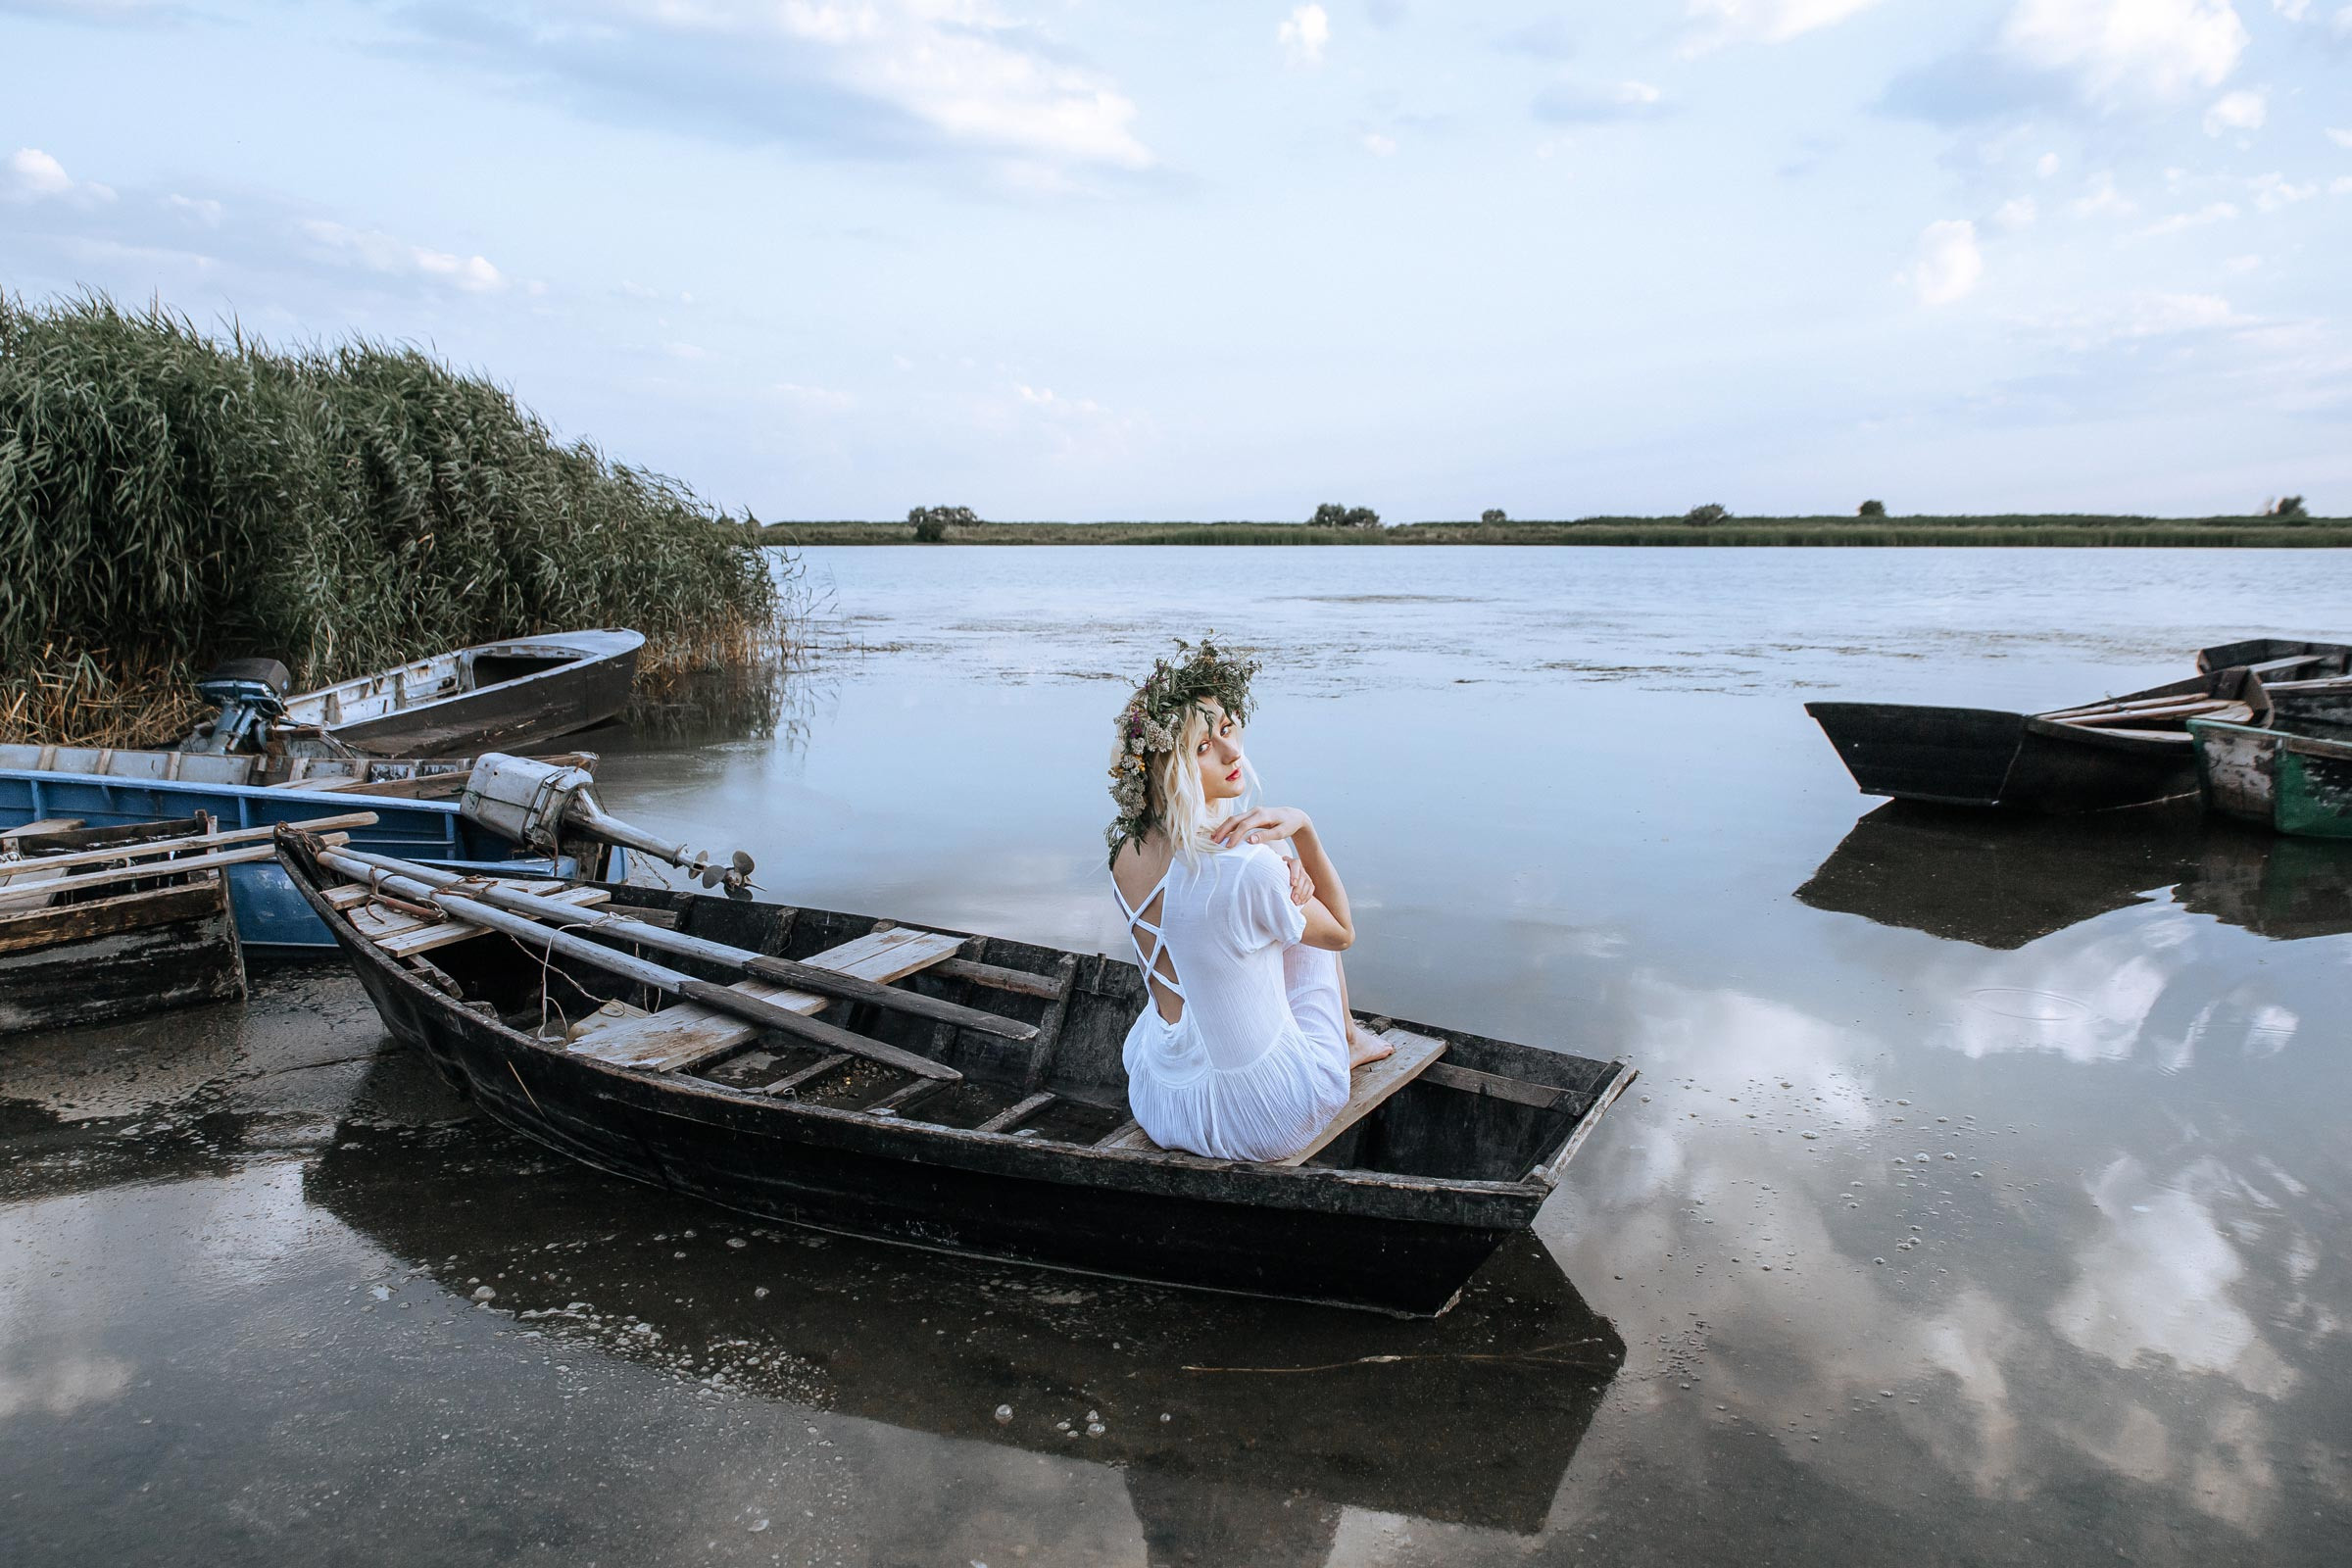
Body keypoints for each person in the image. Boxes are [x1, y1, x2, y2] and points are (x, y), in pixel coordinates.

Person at [1105, 638, 1391, 1161]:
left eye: (1229, 730)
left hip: (1159, 1098)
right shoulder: (1246, 865)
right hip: (1262, 1117)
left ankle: (1341, 1028)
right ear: (1166, 767)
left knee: (1271, 880)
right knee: (1290, 887)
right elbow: (1343, 933)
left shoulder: (1127, 849)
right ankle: (1349, 1041)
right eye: (1202, 747)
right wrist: (1302, 831)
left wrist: (1278, 874)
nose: (1233, 752)